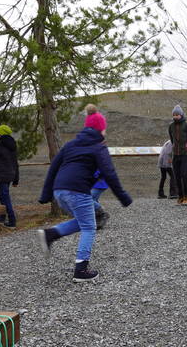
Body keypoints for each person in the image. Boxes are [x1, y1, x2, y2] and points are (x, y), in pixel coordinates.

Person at [37, 111, 132, 283]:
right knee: (89, 227)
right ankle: (81, 269)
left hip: (60, 191)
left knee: (83, 222)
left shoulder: (70, 145)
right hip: (78, 192)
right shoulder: (98, 147)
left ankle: (50, 234)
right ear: (101, 129)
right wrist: (123, 196)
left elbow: (53, 168)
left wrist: (46, 195)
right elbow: (109, 173)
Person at [168, 104, 187, 205]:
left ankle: (186, 196)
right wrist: (175, 148)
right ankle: (180, 196)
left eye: (177, 114)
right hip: (176, 154)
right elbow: (172, 139)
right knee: (177, 176)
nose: (175, 116)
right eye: (174, 115)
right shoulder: (171, 126)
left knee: (184, 175)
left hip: (185, 154)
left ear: (181, 115)